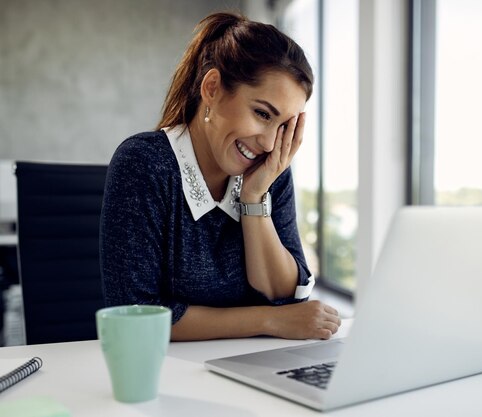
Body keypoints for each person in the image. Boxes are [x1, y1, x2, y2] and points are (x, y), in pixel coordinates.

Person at [100, 12, 341, 341]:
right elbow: (135, 312)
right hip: (161, 373)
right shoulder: (145, 163)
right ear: (212, 89)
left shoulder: (270, 171)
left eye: (283, 126)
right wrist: (267, 321)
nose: (270, 143)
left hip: (247, 368)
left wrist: (254, 199)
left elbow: (285, 297)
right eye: (261, 114)